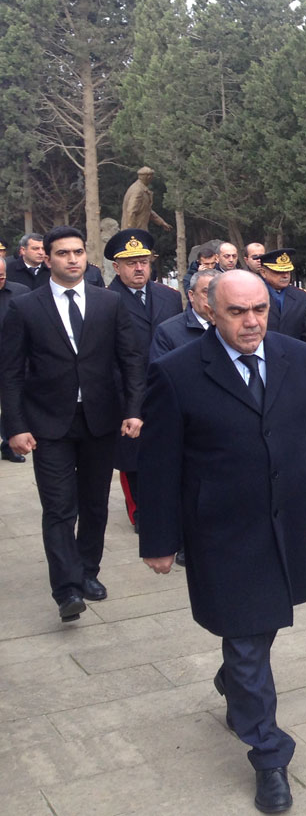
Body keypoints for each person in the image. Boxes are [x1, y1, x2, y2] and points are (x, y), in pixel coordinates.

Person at [137, 270, 306, 814]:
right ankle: (269, 754)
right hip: (221, 530)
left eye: (260, 310)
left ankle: (234, 679)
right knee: (249, 636)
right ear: (209, 310)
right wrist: (159, 539)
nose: (251, 322)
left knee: (261, 627)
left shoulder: (296, 357)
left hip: (285, 520)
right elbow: (157, 466)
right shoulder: (177, 372)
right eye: (237, 312)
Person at [0, 226, 144, 622]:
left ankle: (87, 572)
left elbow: (130, 360)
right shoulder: (26, 307)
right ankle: (66, 589)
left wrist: (134, 409)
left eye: (78, 252)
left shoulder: (108, 303)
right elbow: (10, 372)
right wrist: (14, 426)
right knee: (60, 507)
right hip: (49, 423)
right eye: (63, 253)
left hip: (100, 419)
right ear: (48, 259)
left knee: (95, 503)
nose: (73, 259)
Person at [106, 229, 183, 530]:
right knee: (132, 456)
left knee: (168, 451)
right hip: (124, 389)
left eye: (144, 261)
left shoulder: (169, 296)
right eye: (131, 262)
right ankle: (139, 511)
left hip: (166, 387)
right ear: (116, 267)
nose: (139, 268)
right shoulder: (105, 299)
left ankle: (167, 505)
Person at [0, 257, 31, 463]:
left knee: (12, 402)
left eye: (2, 275)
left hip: (13, 359)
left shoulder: (20, 293)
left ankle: (9, 443)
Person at [149, 269, 217, 361]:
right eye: (206, 292)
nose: (213, 297)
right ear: (191, 295)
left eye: (218, 292)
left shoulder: (233, 326)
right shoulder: (168, 332)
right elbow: (161, 372)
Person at [260, 249, 306, 341]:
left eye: (288, 271)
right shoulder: (253, 296)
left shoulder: (303, 297)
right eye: (279, 272)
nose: (285, 276)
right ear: (263, 272)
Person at [120, 166, 173, 231]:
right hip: (135, 233)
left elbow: (147, 210)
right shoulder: (137, 191)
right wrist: (132, 231)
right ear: (148, 177)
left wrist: (161, 222)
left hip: (140, 231)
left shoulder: (142, 189)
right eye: (152, 176)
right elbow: (131, 212)